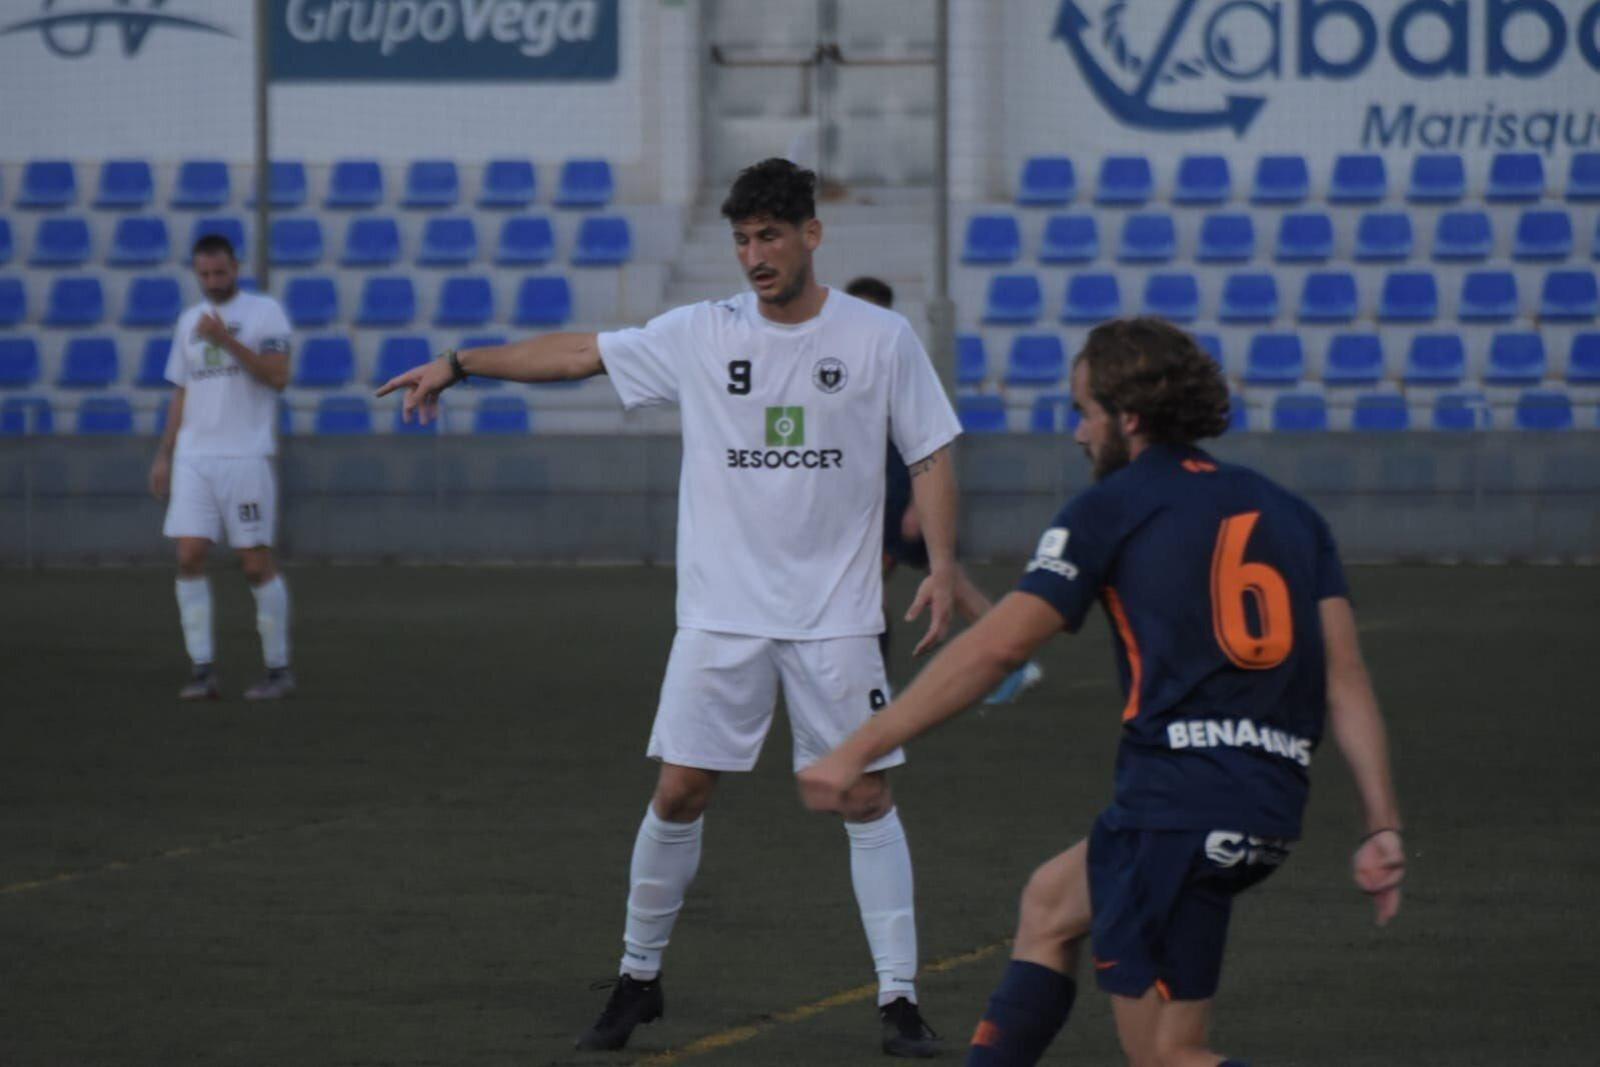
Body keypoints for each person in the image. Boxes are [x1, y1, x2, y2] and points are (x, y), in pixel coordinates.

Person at [378, 159, 960, 1057]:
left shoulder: (880, 337)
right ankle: (637, 979)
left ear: (812, 234)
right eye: (742, 239)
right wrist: (461, 363)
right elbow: (579, 353)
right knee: (680, 791)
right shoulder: (700, 331)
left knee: (865, 793)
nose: (755, 255)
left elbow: (931, 450)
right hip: (720, 616)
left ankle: (899, 1000)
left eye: (771, 236)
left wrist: (945, 564)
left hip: (838, 618)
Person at [799, 317, 1406, 1067]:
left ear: (1129, 417)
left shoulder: (1113, 507)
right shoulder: (1292, 514)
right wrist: (1382, 825)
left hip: (1173, 811)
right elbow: (1345, 678)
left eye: (1084, 411)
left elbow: (1000, 646)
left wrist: (857, 748)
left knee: (1168, 1058)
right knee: (1052, 902)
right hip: (1263, 804)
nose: (1079, 433)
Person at [844, 276, 1042, 706]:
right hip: (880, 497)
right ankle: (1016, 659)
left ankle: (879, 685)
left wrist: (919, 505)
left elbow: (930, 441)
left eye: (869, 311)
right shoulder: (852, 366)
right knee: (904, 587)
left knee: (886, 588)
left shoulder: (896, 365)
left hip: (905, 498)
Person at [148, 234, 295, 701]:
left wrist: (225, 339)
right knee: (189, 555)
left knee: (254, 563)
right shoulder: (188, 321)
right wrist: (165, 454)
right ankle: (202, 669)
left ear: (236, 268)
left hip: (245, 457)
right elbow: (182, 391)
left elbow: (278, 377)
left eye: (220, 272)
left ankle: (277, 669)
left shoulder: (264, 313)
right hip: (194, 459)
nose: (212, 282)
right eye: (205, 275)